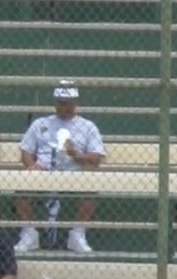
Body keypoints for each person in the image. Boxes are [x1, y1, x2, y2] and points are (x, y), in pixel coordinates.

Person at [13, 80, 108, 254]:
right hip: (43, 169)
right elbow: (26, 150)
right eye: (61, 103)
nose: (65, 107)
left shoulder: (87, 127)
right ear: (55, 104)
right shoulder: (41, 123)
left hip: (73, 172)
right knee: (21, 189)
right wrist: (31, 166)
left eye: (69, 104)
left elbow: (97, 158)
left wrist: (76, 155)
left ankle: (77, 234)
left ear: (76, 103)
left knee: (91, 189)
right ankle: (29, 233)